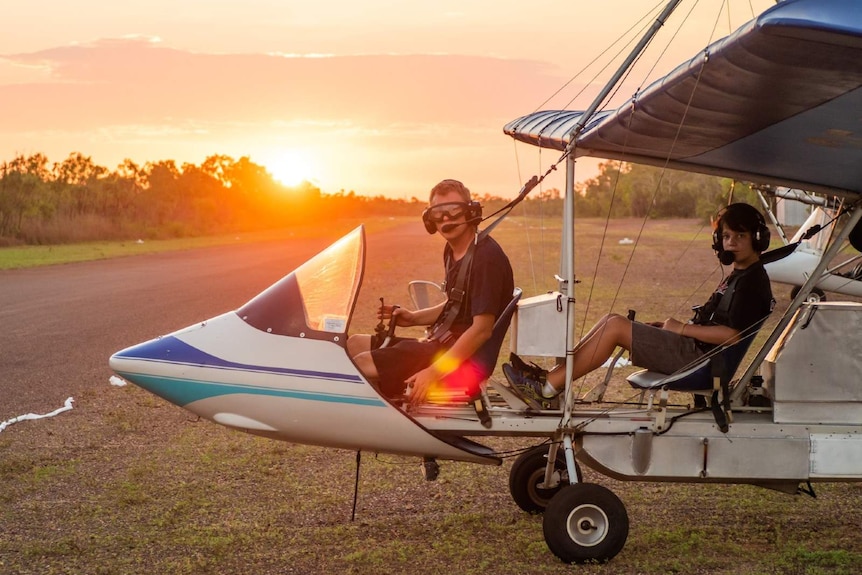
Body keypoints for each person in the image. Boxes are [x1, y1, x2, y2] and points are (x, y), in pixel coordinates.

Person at [503, 202, 774, 407]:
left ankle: (547, 389)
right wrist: (667, 330)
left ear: (757, 238)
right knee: (612, 320)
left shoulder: (752, 281)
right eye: (726, 236)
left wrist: (680, 330)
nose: (731, 242)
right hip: (695, 351)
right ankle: (552, 378)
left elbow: (732, 335)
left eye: (740, 236)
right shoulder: (741, 274)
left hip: (699, 360)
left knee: (616, 327)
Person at [348, 179, 514, 406]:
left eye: (454, 211)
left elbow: (481, 330)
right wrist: (414, 318)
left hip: (463, 363)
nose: (446, 219)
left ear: (471, 212)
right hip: (439, 345)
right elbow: (456, 305)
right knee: (355, 343)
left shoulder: (486, 259)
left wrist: (434, 372)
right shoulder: (453, 250)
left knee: (361, 363)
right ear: (430, 219)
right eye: (439, 213)